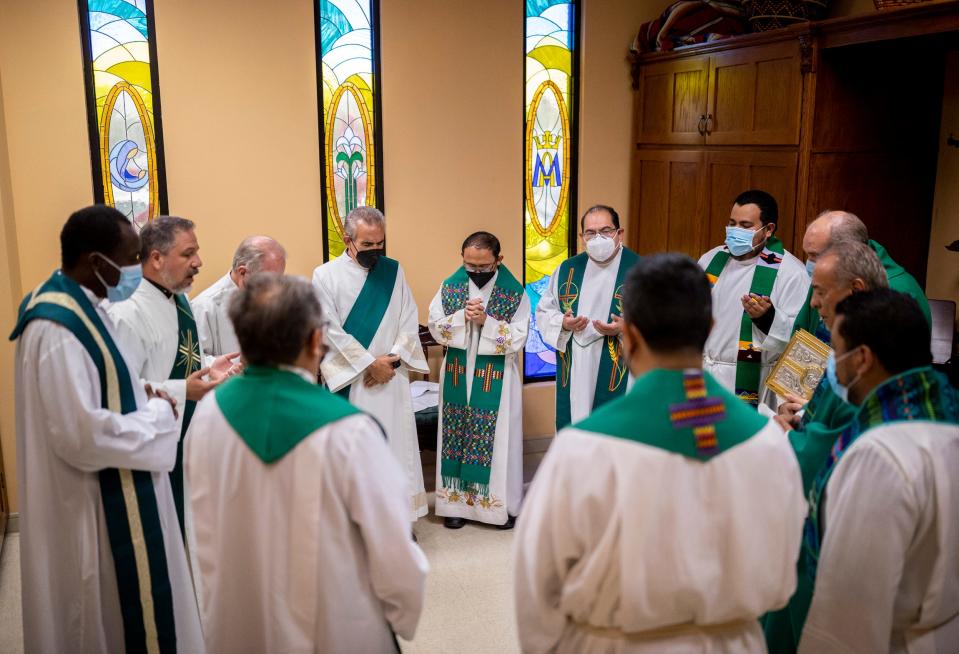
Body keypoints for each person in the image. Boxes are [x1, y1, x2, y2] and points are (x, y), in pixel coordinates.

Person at [514, 253, 806, 653]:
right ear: (710, 328)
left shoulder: (582, 448)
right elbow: (786, 564)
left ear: (629, 336)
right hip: (731, 640)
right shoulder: (767, 442)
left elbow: (537, 581)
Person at [186, 273, 428, 653]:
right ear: (316, 341)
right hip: (336, 624)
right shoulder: (350, 432)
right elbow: (393, 551)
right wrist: (400, 615)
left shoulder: (208, 415)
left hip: (240, 619)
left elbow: (202, 523)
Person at [10, 205, 203, 652]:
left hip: (107, 481)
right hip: (87, 500)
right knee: (97, 615)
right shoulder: (57, 327)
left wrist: (157, 392)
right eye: (132, 258)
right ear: (97, 263)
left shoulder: (87, 308)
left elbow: (113, 386)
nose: (138, 269)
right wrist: (162, 413)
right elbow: (82, 435)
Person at [799, 289, 959, 652]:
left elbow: (849, 607)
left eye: (836, 352)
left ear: (862, 359)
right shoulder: (947, 420)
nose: (834, 366)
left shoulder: (879, 455)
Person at [763, 239, 888, 653]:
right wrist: (804, 414)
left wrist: (783, 437)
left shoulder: (869, 357)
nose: (813, 301)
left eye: (820, 290)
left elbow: (843, 442)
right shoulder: (845, 345)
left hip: (832, 533)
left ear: (853, 289)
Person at [107, 216, 237, 536]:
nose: (199, 262)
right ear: (156, 258)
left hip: (190, 435)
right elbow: (118, 390)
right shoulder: (127, 312)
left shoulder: (178, 296)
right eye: (188, 254)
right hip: (157, 445)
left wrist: (211, 363)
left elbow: (180, 357)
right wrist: (183, 391)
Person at [312, 207, 429, 519]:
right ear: (348, 240)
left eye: (380, 244)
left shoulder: (394, 271)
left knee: (395, 448)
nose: (375, 251)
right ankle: (357, 522)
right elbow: (328, 328)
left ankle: (399, 518)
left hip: (391, 377)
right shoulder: (325, 276)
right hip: (353, 382)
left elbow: (408, 318)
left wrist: (390, 362)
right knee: (357, 453)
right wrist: (367, 364)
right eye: (367, 245)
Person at [428, 231, 530, 529]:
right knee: (457, 432)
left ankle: (500, 507)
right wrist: (461, 317)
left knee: (499, 437)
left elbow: (520, 336)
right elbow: (435, 327)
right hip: (459, 371)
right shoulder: (450, 286)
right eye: (470, 266)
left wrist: (488, 322)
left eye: (483, 267)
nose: (475, 272)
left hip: (497, 377)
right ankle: (455, 506)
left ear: (498, 260)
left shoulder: (514, 292)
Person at [698, 190, 809, 409]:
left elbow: (801, 340)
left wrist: (767, 319)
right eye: (732, 223)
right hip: (704, 375)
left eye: (746, 225)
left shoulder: (791, 272)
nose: (735, 231)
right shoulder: (711, 259)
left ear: (768, 230)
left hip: (749, 382)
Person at [535, 205, 640, 430]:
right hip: (576, 368)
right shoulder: (567, 269)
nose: (598, 238)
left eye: (606, 231)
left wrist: (626, 328)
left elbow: (659, 321)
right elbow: (544, 310)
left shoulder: (641, 270)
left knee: (614, 434)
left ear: (619, 233)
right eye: (591, 233)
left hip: (619, 364)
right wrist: (562, 323)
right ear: (582, 237)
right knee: (576, 424)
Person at [790, 210, 931, 343]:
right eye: (807, 254)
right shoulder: (826, 275)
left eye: (815, 255)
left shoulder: (898, 294)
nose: (809, 262)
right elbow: (800, 336)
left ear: (849, 250)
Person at [192, 235, 286, 357]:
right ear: (243, 272)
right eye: (268, 279)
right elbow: (196, 362)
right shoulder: (204, 306)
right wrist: (232, 367)